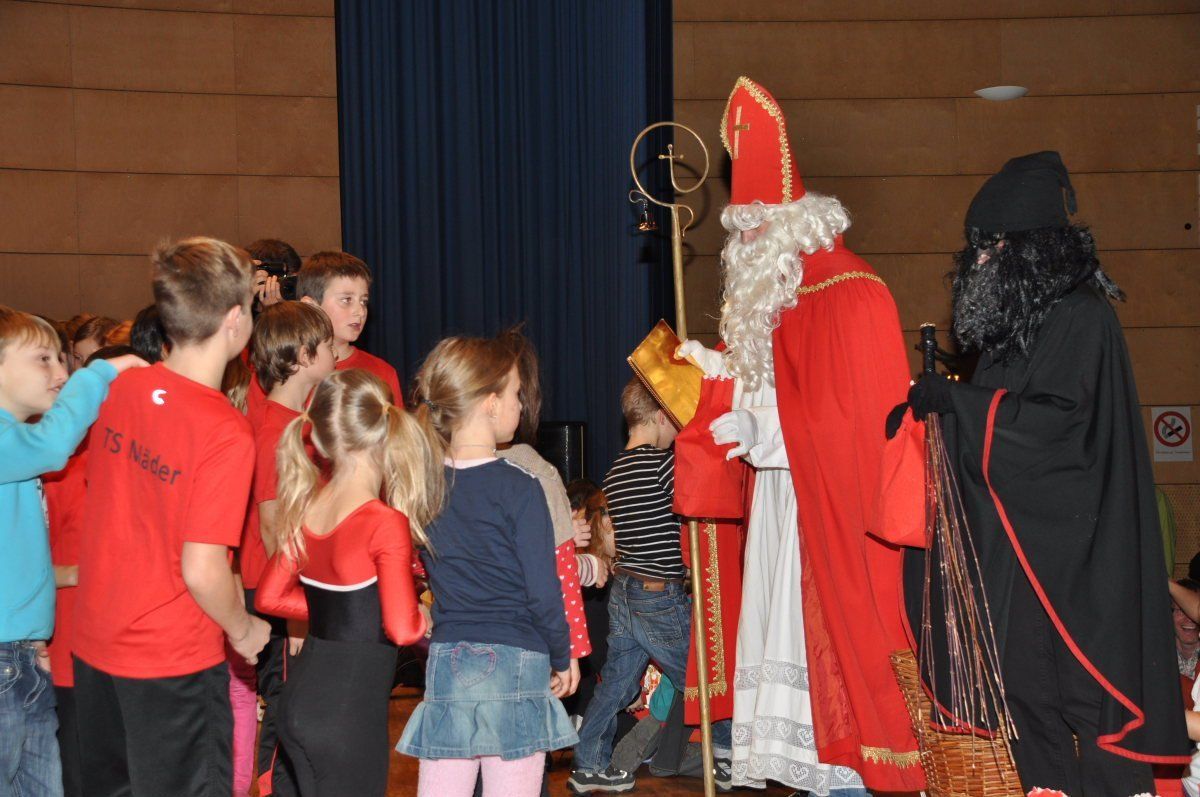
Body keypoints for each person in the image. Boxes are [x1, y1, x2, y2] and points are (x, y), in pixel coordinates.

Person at [901, 151, 1190, 794]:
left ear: (1033, 250)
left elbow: (1057, 429)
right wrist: (941, 413)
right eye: (977, 246)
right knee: (1025, 696)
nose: (979, 261)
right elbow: (997, 430)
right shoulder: (1015, 332)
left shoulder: (1080, 316)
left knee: (1091, 702)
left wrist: (962, 403)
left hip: (1078, 562)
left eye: (993, 245)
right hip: (1021, 561)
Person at [683, 75, 920, 794]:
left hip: (827, 521)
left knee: (829, 673)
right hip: (779, 509)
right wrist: (712, 368)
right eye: (739, 230)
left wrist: (766, 431)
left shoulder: (847, 289)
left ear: (791, 221)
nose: (745, 242)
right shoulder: (777, 299)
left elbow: (856, 422)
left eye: (756, 226)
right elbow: (767, 379)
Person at [72, 237, 271, 797]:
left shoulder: (119, 387)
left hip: (94, 645)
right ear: (235, 320)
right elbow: (202, 568)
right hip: (170, 661)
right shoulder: (224, 431)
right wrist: (244, 629)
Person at [397, 331, 579, 797]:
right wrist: (563, 655)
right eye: (516, 393)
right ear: (491, 403)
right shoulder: (521, 487)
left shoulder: (425, 486)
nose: (521, 404)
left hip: (447, 660)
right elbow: (543, 591)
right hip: (518, 658)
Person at [255, 369, 440, 795]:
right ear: (386, 433)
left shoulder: (309, 506)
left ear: (320, 441)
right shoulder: (383, 521)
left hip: (298, 703)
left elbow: (269, 596)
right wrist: (422, 615)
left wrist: (347, 611)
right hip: (345, 714)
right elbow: (403, 629)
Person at [0, 306, 143, 797]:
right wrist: (98, 374)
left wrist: (29, 638)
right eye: (43, 359)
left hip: (22, 655)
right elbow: (55, 443)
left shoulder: (15, 444)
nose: (61, 373)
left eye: (62, 359)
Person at [569, 378, 733, 794]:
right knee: (700, 675)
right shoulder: (662, 464)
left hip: (624, 591)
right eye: (675, 422)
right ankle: (730, 752)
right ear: (661, 417)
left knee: (616, 683)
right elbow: (695, 501)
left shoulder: (614, 471)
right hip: (658, 595)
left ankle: (588, 765)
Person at [245, 301, 337, 795]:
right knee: (285, 715)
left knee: (296, 711)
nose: (335, 354)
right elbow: (273, 525)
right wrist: (295, 614)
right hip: (278, 598)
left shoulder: (296, 423)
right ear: (304, 356)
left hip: (292, 596)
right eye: (327, 346)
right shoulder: (276, 429)